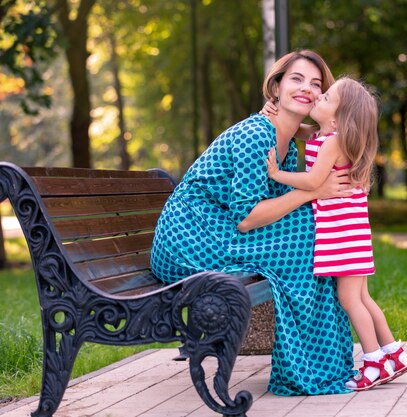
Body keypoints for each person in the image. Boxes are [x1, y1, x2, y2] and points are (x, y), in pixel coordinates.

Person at [150, 50, 357, 396]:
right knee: (306, 235)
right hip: (189, 238)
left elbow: (319, 138)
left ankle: (325, 366)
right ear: (275, 87)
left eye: (316, 84)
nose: (306, 88)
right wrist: (313, 192)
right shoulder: (255, 135)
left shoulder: (287, 139)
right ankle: (309, 370)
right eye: (296, 79)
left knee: (312, 231)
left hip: (219, 228)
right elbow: (247, 219)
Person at [264, 77, 407, 391]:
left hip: (342, 235)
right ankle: (393, 353)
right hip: (353, 234)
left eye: (326, 97)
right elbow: (299, 129)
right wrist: (276, 111)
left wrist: (277, 174)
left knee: (349, 299)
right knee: (363, 297)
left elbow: (313, 181)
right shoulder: (327, 134)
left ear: (337, 118)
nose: (317, 96)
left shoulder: (332, 142)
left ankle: (373, 361)